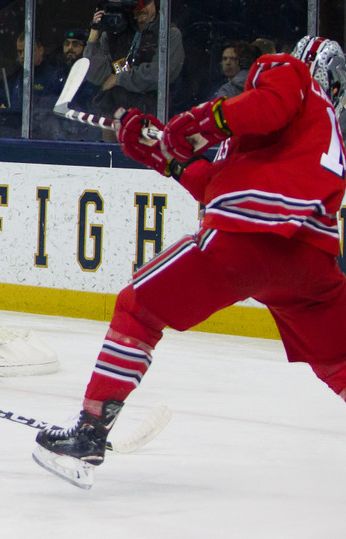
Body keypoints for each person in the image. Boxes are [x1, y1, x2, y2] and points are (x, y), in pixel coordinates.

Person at [33, 35, 346, 489]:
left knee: (138, 308)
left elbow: (265, 107)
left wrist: (203, 121)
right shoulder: (323, 130)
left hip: (245, 242)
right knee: (339, 358)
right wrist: (166, 157)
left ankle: (90, 430)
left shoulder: (290, 76)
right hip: (310, 262)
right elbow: (219, 184)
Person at [83, 0, 184, 139]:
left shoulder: (169, 33)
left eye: (146, 2)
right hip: (114, 117)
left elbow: (158, 74)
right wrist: (94, 36)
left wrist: (118, 79)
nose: (141, 8)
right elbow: (96, 76)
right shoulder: (114, 32)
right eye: (136, 3)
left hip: (151, 118)